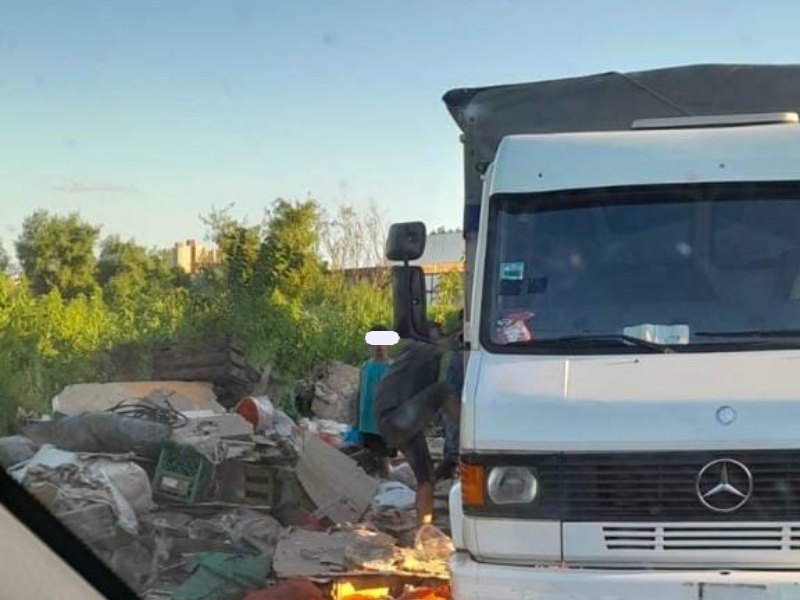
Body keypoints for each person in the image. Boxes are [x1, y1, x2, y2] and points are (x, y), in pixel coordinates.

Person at [374, 321, 462, 528]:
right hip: (397, 418)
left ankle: (422, 533)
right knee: (442, 390)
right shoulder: (421, 347)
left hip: (397, 422)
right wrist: (464, 325)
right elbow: (446, 343)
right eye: (437, 333)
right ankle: (473, 430)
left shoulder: (413, 354)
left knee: (426, 479)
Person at [354, 323, 393, 477]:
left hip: (381, 423)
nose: (379, 346)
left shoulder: (391, 367)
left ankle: (386, 487)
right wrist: (356, 419)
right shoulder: (365, 367)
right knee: (366, 459)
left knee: (383, 459)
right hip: (365, 422)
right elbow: (360, 394)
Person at [436, 311, 464, 481]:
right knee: (453, 442)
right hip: (452, 397)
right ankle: (448, 475)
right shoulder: (456, 344)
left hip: (456, 397)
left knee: (454, 441)